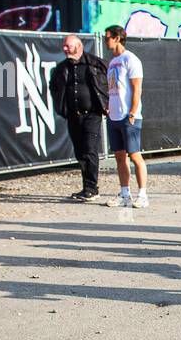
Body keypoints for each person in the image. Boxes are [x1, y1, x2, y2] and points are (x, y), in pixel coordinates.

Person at [49, 34, 109, 201]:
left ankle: (92, 188)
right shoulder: (62, 68)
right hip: (73, 116)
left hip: (92, 114)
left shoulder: (95, 63)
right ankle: (86, 187)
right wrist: (61, 108)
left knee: (90, 150)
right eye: (64, 46)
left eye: (68, 46)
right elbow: (53, 87)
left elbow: (111, 82)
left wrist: (108, 102)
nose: (64, 49)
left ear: (79, 46)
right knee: (80, 152)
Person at [103, 26, 147, 208]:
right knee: (120, 157)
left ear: (117, 38)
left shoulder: (131, 59)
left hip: (129, 117)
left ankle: (143, 195)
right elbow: (114, 88)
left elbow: (137, 88)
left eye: (108, 38)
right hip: (114, 116)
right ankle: (124, 193)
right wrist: (109, 107)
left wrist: (132, 112)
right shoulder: (113, 62)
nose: (106, 41)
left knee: (135, 155)